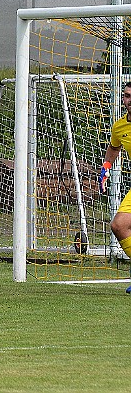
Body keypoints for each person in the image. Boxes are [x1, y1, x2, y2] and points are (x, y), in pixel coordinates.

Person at [99, 81, 131, 293]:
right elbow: (114, 147)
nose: (130, 100)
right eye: (127, 96)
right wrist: (106, 168)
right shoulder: (119, 126)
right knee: (118, 226)